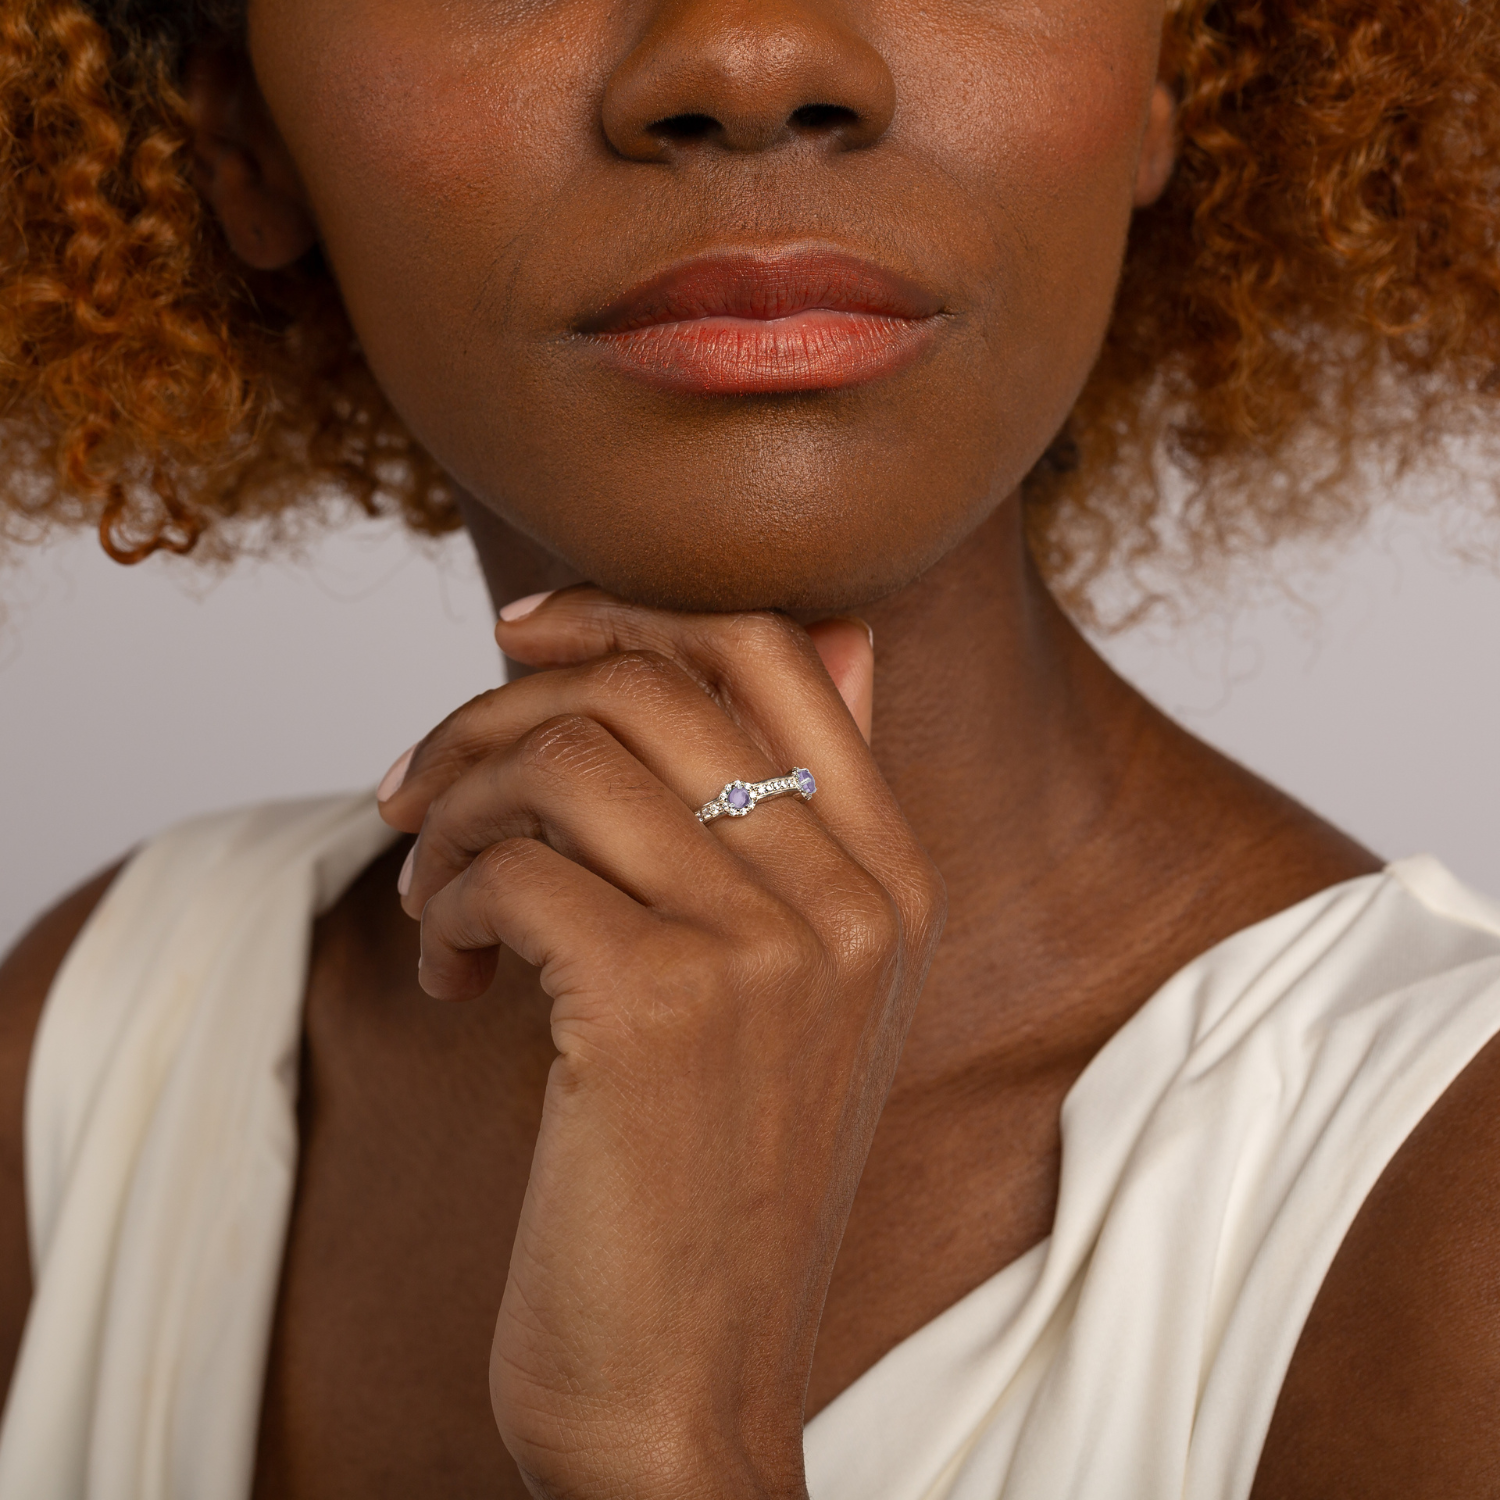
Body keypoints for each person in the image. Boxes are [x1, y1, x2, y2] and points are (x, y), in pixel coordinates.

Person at [1, 0, 1499, 1495]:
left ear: (1168, 67)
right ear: (240, 130)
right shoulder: (102, 1051)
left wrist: (672, 1450)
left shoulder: (1454, 1229)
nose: (751, 58)